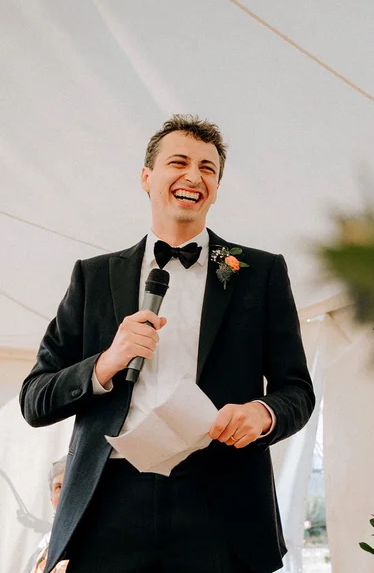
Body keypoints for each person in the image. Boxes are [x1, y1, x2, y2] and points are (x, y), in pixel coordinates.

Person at [20, 116, 315, 572]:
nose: (194, 176)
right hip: (110, 502)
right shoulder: (93, 277)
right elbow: (34, 399)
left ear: (216, 189)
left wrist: (262, 413)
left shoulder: (261, 273)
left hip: (221, 499)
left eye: (208, 168)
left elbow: (296, 389)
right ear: (146, 177)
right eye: (178, 162)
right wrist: (105, 363)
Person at [23, 456, 68, 573]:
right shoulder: (45, 544)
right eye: (58, 487)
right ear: (51, 499)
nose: (64, 493)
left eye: (70, 486)